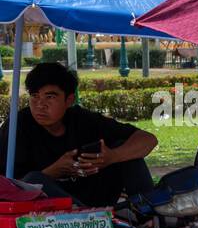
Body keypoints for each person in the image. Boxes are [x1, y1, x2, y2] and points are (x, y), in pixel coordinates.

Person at [2, 62, 157, 207]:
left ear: (69, 100)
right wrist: (53, 172)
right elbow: (8, 188)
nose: (40, 105)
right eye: (34, 96)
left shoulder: (83, 119)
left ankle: (150, 219)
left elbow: (148, 139)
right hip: (49, 211)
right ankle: (99, 222)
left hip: (94, 197)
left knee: (127, 153)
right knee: (33, 180)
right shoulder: (17, 125)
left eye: (50, 97)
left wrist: (111, 157)